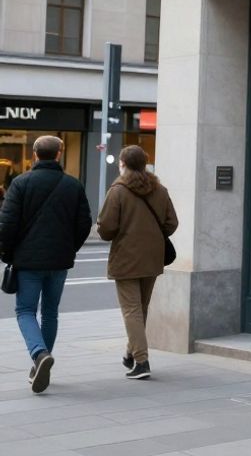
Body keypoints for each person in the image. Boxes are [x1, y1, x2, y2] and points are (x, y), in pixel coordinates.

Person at [0, 135, 92, 394]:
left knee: (25, 310)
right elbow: (84, 223)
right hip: (59, 260)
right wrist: (69, 248)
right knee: (50, 312)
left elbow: (7, 224)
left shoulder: (20, 183)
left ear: (34, 154)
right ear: (59, 154)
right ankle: (41, 361)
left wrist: (7, 253)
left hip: (28, 260)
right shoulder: (73, 185)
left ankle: (39, 355)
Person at [97, 145, 178, 380]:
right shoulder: (159, 190)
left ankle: (141, 361)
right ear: (144, 164)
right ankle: (131, 353)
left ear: (123, 164)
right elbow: (172, 223)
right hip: (153, 256)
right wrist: (153, 234)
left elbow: (106, 228)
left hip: (126, 257)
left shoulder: (118, 191)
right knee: (141, 308)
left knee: (131, 309)